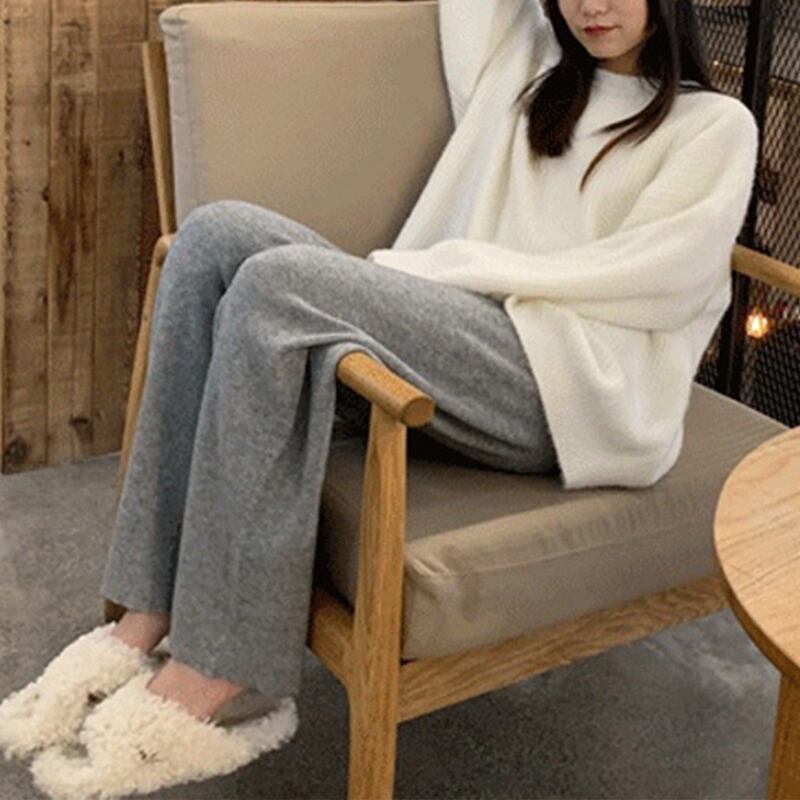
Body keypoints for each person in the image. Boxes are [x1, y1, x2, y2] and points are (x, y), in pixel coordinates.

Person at [0, 0, 759, 796]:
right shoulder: (531, 68)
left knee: (278, 285)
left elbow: (665, 276)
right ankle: (150, 607)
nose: (591, 6)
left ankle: (228, 664)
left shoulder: (714, 125)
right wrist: (447, 291)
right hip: (468, 338)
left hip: (571, 389)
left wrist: (461, 272)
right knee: (213, 235)